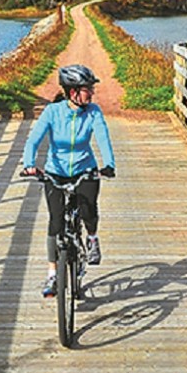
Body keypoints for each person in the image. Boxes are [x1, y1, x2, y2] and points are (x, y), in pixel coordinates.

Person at [21, 64, 116, 298]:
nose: (92, 93)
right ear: (73, 91)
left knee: (88, 211)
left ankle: (92, 238)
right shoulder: (52, 112)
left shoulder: (93, 112)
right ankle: (53, 274)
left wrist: (109, 164)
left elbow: (103, 137)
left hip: (85, 169)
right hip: (56, 171)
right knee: (55, 222)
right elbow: (34, 140)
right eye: (87, 89)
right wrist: (28, 163)